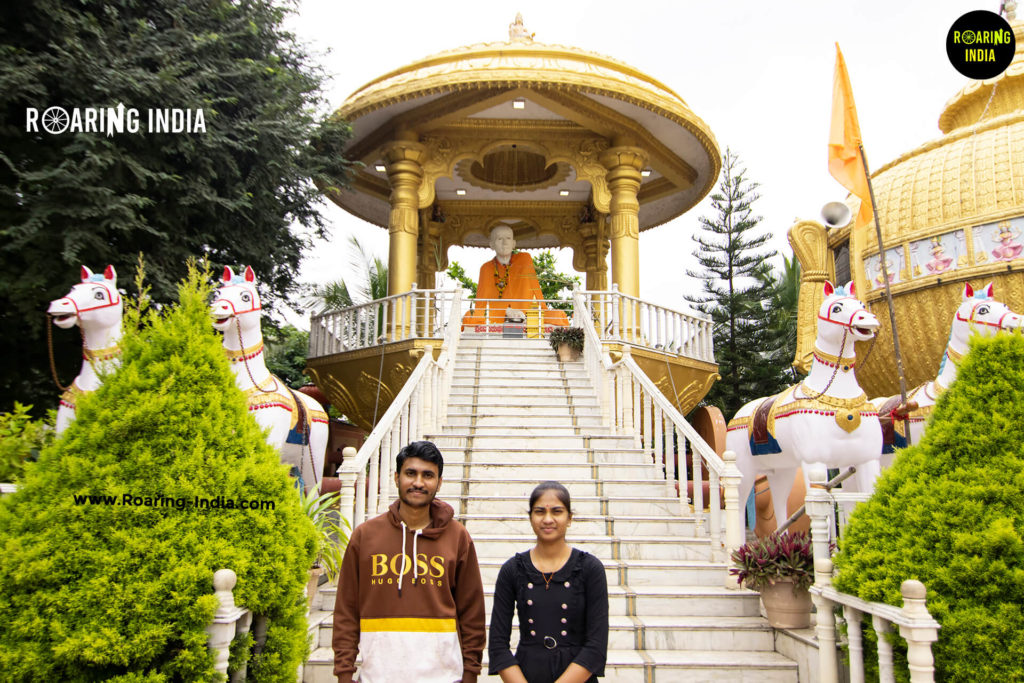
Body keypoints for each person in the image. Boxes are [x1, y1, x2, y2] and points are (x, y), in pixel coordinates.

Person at [333, 441, 485, 683]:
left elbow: (472, 613)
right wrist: (344, 672)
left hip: (444, 677)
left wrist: (470, 673)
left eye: (428, 475)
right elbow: (346, 610)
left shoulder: (458, 537)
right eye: (410, 473)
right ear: (396, 478)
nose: (418, 483)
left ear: (439, 482)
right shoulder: (365, 536)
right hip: (378, 676)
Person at [488, 482, 608, 683]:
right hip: (526, 675)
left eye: (557, 511)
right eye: (540, 511)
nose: (548, 519)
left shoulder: (589, 569)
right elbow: (498, 645)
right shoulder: (512, 569)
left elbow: (595, 647)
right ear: (530, 517)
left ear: (570, 518)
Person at [462, 224, 568, 329]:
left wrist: (522, 311)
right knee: (471, 316)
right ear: (492, 244)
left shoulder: (524, 259)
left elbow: (534, 293)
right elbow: (481, 305)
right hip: (495, 315)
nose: (505, 243)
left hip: (524, 313)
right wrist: (506, 311)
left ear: (513, 243)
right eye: (499, 239)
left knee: (558, 315)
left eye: (508, 238)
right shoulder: (486, 268)